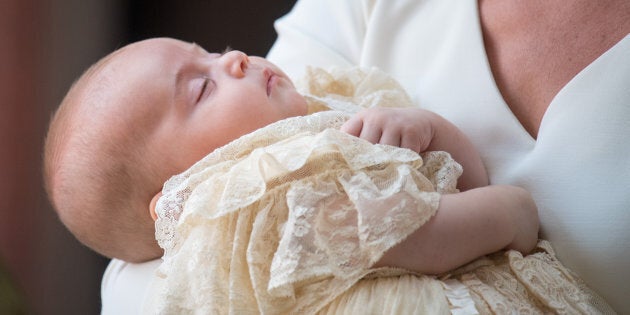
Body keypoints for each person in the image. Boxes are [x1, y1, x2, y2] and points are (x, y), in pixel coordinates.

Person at [46, 38, 609, 314]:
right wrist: (511, 212)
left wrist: (426, 128)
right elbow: (419, 236)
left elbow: (460, 182)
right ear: (179, 194)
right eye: (201, 87)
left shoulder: (331, 109)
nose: (235, 59)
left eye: (212, 54)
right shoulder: (257, 200)